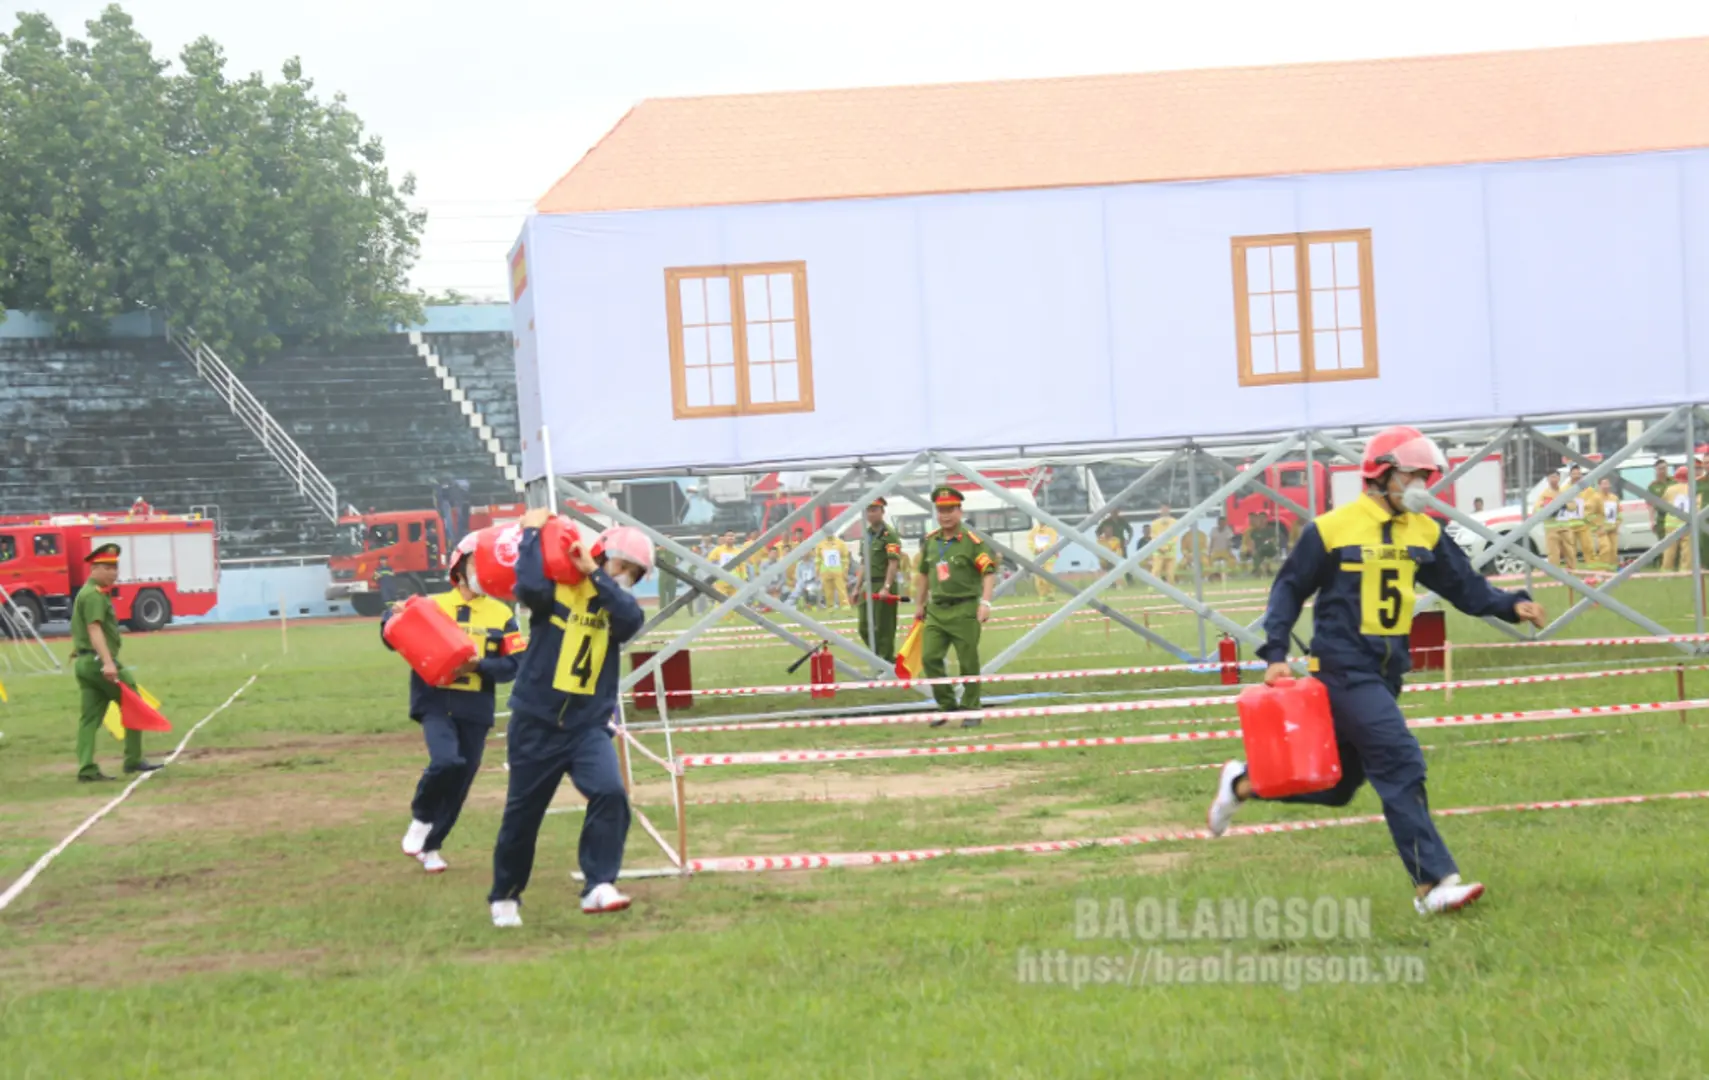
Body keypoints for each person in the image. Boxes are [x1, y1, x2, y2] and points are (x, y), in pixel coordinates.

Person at [1206, 426, 1546, 915]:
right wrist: (1276, 653)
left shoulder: (1425, 531)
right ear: (1381, 473)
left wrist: (1512, 604)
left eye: (1426, 476)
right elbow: (1288, 589)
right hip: (1341, 670)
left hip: (1385, 675)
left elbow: (1466, 589)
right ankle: (1433, 885)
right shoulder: (1331, 529)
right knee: (1402, 761)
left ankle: (1243, 782)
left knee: (1338, 787)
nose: (1421, 484)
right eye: (1413, 474)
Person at [488, 512, 649, 928]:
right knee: (522, 815)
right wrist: (532, 533)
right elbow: (526, 586)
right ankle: (505, 894)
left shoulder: (617, 607)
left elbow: (631, 621)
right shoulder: (556, 591)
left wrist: (599, 576)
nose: (626, 577)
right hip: (535, 723)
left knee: (610, 792)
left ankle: (599, 884)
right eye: (622, 566)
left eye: (634, 573)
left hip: (586, 726)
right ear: (602, 553)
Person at [389, 539, 523, 873]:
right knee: (446, 760)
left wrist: (479, 666)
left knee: (462, 780)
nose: (482, 572)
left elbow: (515, 664)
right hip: (434, 701)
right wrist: (391, 616)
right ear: (458, 567)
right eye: (476, 564)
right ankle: (421, 818)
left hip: (475, 706)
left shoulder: (503, 614)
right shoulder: (431, 604)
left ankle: (432, 846)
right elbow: (391, 634)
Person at [69, 543, 161, 782]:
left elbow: (82, 626)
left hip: (85, 661)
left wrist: (79, 649)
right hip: (100, 663)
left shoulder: (85, 593)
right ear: (94, 568)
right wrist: (108, 663)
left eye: (115, 568)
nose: (113, 573)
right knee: (134, 705)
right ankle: (133, 760)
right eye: (107, 567)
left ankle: (86, 768)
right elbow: (94, 627)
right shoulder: (94, 595)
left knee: (89, 718)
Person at [914, 486, 997, 727]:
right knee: (929, 657)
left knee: (968, 661)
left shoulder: (972, 542)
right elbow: (923, 575)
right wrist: (920, 603)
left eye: (950, 509)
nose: (946, 515)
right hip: (937, 610)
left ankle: (971, 709)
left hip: (964, 609)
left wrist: (985, 602)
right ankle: (946, 705)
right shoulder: (930, 542)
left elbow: (988, 573)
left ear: (960, 511)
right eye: (941, 510)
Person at [856, 498, 903, 662]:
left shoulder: (889, 535)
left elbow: (893, 562)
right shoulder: (866, 535)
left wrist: (887, 587)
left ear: (882, 512)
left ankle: (886, 660)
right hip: (868, 585)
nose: (871, 513)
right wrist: (856, 587)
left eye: (875, 510)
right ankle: (882, 658)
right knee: (863, 626)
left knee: (884, 626)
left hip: (883, 583)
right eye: (868, 510)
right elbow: (863, 563)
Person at [1535, 470, 1577, 570]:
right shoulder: (1544, 494)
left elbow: (1574, 505)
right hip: (1551, 529)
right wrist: (1548, 509)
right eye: (1551, 477)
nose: (1553, 479)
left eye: (1555, 477)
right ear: (1547, 479)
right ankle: (1554, 574)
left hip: (1565, 528)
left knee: (1570, 552)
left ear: (1559, 478)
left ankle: (1572, 571)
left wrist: (1565, 505)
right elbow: (1536, 509)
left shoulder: (1564, 493)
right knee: (1554, 554)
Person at [1663, 467, 1693, 572]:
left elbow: (1664, 502)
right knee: (1687, 550)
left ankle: (1666, 572)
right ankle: (1685, 571)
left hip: (1671, 523)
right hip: (1687, 522)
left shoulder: (1670, 489)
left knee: (1669, 549)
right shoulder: (1692, 488)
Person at [1568, 466, 1597, 566]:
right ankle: (1571, 572)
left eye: (1578, 474)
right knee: (1570, 550)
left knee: (1588, 548)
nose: (1576, 476)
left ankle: (1593, 570)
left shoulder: (1588, 490)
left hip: (1584, 525)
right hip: (1569, 526)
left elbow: (1594, 504)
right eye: (1574, 473)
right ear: (1570, 475)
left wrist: (1586, 512)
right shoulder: (1564, 489)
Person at [1649, 460, 1674, 570]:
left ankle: (1676, 566)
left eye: (1664, 468)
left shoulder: (1673, 482)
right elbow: (1651, 505)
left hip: (1674, 517)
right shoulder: (1653, 486)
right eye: (1660, 469)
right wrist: (1651, 521)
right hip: (1661, 518)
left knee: (1676, 541)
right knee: (1663, 543)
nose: (1662, 471)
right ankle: (1665, 567)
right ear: (1655, 470)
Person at [816, 530, 851, 609]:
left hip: (838, 571)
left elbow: (845, 558)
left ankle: (845, 608)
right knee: (828, 592)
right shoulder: (820, 544)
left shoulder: (840, 543)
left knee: (841, 590)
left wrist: (845, 571)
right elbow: (818, 559)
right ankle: (830, 610)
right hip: (825, 571)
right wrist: (818, 571)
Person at [1027, 520, 1058, 599]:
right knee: (1039, 577)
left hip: (1049, 557)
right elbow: (1030, 542)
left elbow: (1053, 541)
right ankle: (1042, 596)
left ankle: (1050, 594)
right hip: (1038, 557)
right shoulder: (1034, 531)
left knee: (1048, 574)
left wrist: (1043, 548)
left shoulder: (1051, 530)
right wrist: (1035, 549)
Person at [1149, 504, 1179, 586]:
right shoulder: (1154, 523)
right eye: (1163, 509)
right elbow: (1153, 536)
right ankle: (1151, 588)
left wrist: (1168, 546)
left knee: (1170, 572)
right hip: (1158, 550)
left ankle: (1171, 589)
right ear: (1160, 510)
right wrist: (1160, 547)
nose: (1164, 511)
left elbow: (1175, 536)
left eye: (1166, 509)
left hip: (1171, 550)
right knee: (1156, 570)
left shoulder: (1175, 522)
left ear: (1169, 510)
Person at [1593, 477, 1620, 569]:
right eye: (1603, 484)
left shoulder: (1614, 498)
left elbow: (1619, 513)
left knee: (1613, 551)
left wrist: (1617, 523)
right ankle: (1602, 570)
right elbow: (1589, 514)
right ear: (1599, 485)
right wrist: (1597, 526)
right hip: (1602, 530)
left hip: (1613, 528)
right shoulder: (1595, 498)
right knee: (1605, 549)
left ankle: (1612, 571)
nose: (1606, 486)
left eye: (1607, 484)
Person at [1206, 518, 1238, 585]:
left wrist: (1230, 552)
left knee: (1233, 560)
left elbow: (1229, 542)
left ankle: (1229, 575)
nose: (1222, 524)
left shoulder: (1228, 530)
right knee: (1208, 561)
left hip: (1225, 551)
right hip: (1215, 551)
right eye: (1220, 522)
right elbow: (1211, 542)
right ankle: (1211, 576)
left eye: (1223, 522)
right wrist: (1209, 552)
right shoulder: (1213, 530)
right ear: (1218, 523)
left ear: (1225, 523)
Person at [656, 545, 679, 611]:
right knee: (662, 594)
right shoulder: (659, 551)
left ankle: (671, 611)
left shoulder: (674, 551)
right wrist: (657, 549)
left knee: (672, 594)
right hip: (663, 574)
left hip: (672, 574)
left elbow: (679, 559)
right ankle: (662, 610)